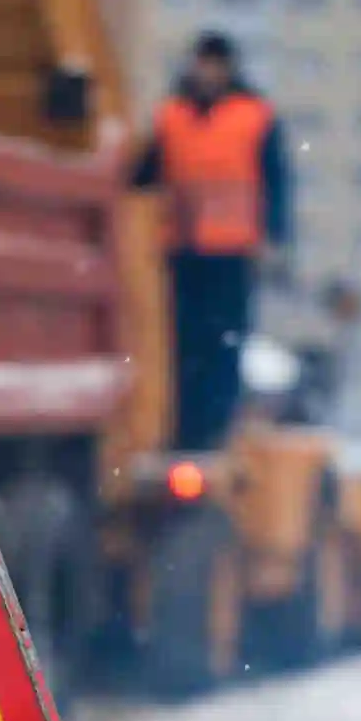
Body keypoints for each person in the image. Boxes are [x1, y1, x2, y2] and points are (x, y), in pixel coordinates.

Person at [131, 30, 294, 450]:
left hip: (233, 251)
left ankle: (214, 432)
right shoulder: (171, 115)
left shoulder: (254, 115)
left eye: (214, 64)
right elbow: (146, 171)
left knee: (223, 346)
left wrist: (275, 236)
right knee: (182, 345)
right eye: (202, 63)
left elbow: (277, 180)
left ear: (229, 68)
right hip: (183, 249)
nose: (207, 72)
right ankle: (183, 432)